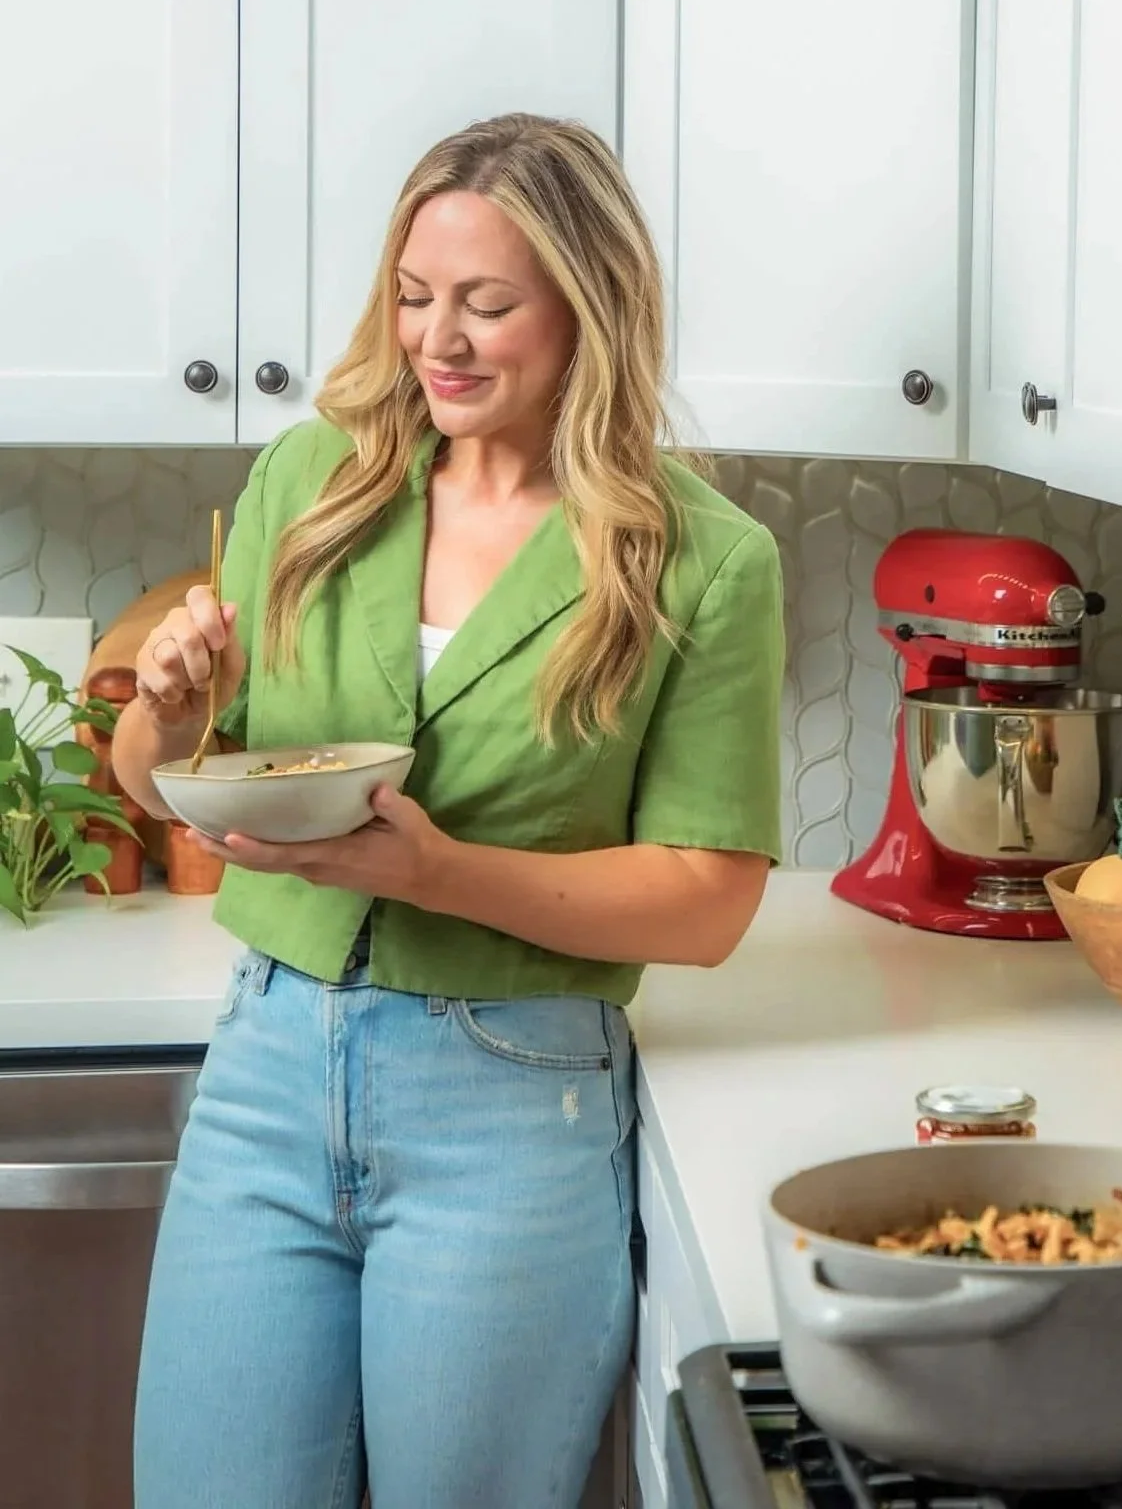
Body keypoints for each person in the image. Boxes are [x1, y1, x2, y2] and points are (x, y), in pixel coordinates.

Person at [113, 112, 785, 1509]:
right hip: (268, 1072)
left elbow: (707, 900)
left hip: (512, 1103)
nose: (441, 341)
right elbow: (160, 777)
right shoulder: (314, 483)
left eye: (488, 305)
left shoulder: (702, 561)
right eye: (416, 300)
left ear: (586, 307)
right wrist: (170, 713)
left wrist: (440, 874)